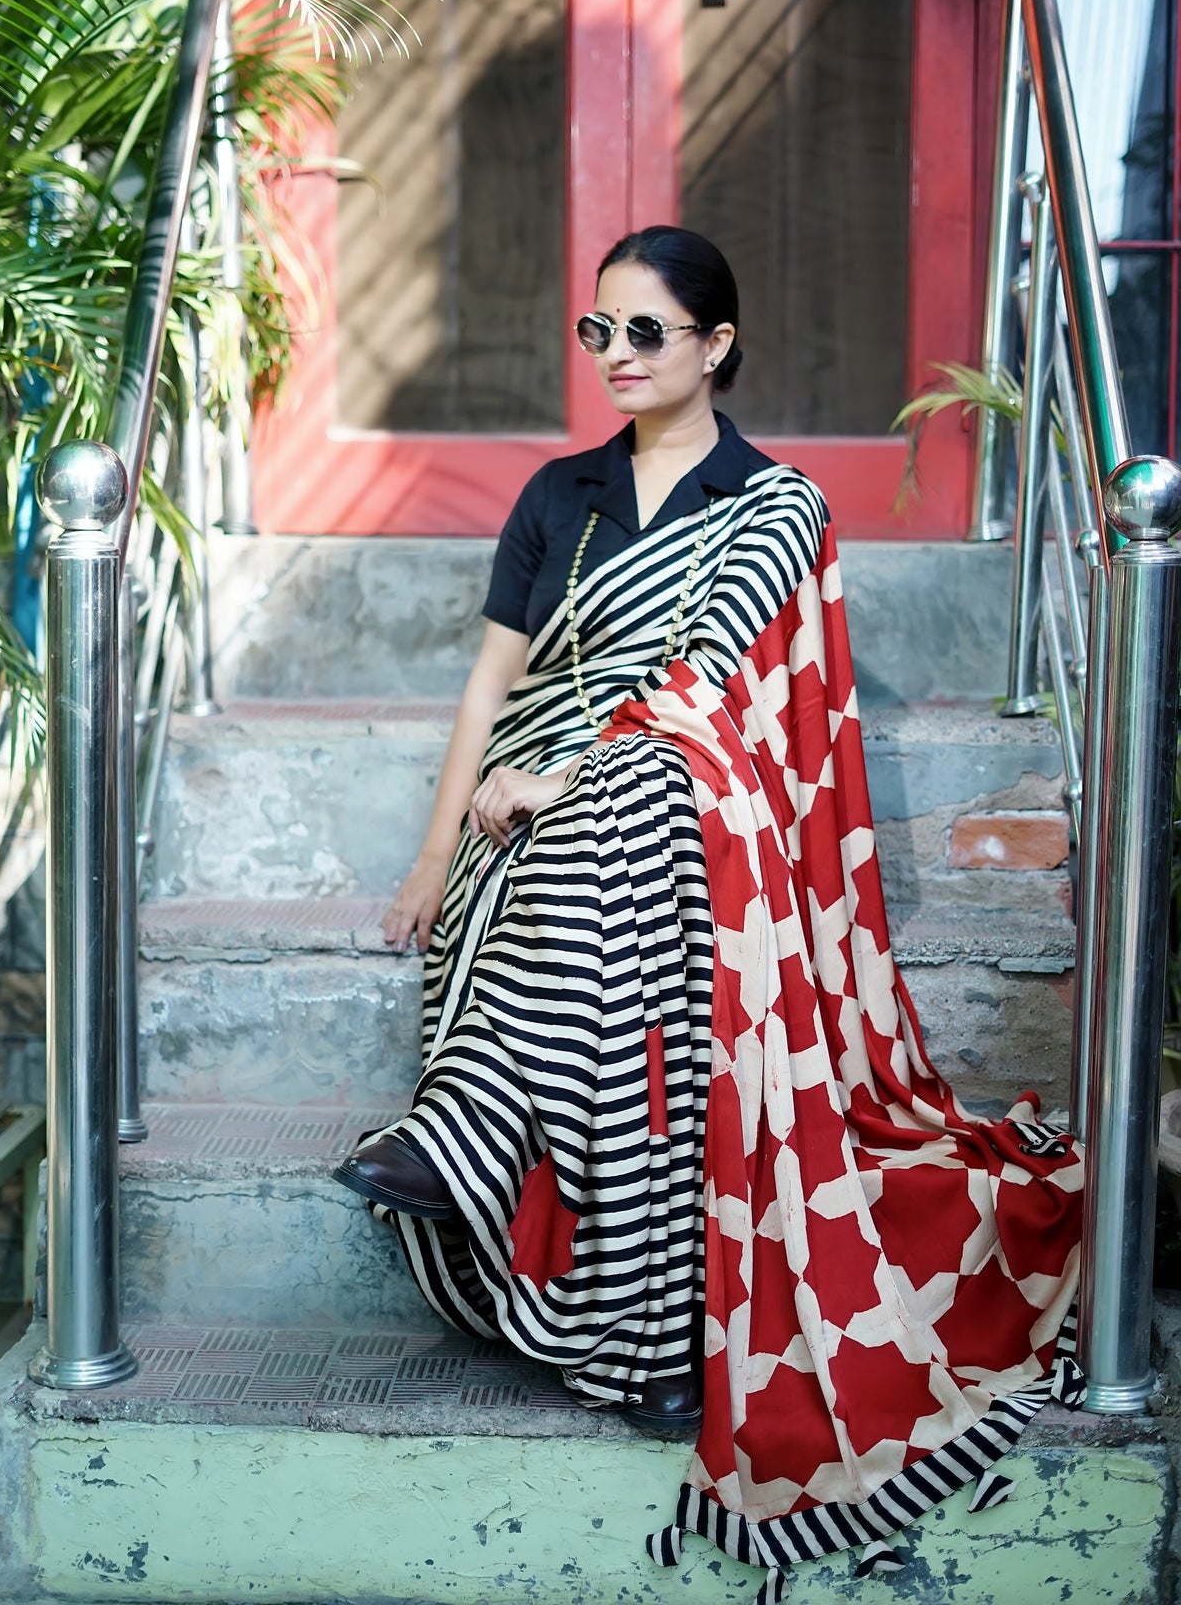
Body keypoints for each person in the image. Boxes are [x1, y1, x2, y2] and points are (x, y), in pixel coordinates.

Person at [333, 226, 1084, 1599]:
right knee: (628, 890)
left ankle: (472, 1130)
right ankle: (648, 1343)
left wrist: (570, 777)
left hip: (705, 788)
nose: (615, 355)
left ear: (717, 345)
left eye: (646, 332)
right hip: (526, 807)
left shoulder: (774, 505)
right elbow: (489, 690)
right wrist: (436, 854)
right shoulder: (559, 494)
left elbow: (707, 679)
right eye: (597, 331)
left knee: (639, 812)